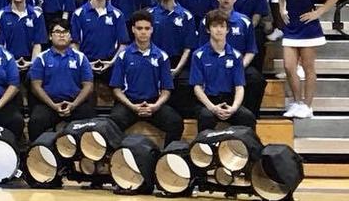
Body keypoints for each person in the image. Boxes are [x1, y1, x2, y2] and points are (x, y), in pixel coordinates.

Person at [279, 0, 340, 119]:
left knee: (308, 67)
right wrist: (282, 9)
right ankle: (297, 102)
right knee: (289, 67)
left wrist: (318, 12)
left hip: (308, 27)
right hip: (291, 27)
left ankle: (308, 105)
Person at [108, 11, 184, 146]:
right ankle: (118, 158)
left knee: (176, 122)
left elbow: (166, 90)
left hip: (154, 103)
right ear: (133, 30)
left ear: (152, 30)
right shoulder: (123, 56)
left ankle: (166, 158)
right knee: (113, 122)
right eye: (139, 28)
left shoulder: (162, 56)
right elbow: (116, 89)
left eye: (147, 28)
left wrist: (155, 106)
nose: (143, 32)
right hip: (129, 104)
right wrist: (132, 106)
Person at [28, 18, 96, 139]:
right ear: (50, 36)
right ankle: (35, 152)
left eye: (65, 32)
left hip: (75, 104)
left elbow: (88, 86)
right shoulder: (42, 58)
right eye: (57, 32)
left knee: (89, 118)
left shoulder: (80, 57)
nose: (61, 35)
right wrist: (54, 105)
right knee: (36, 121)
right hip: (49, 104)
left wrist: (73, 105)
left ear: (70, 36)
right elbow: (35, 86)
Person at [190, 10, 258, 131]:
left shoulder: (236, 56)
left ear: (227, 30)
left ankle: (245, 149)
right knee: (206, 117)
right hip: (208, 101)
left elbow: (239, 87)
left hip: (229, 101)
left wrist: (234, 108)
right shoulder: (198, 55)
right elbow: (197, 87)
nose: (219, 30)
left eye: (222, 26)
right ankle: (204, 148)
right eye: (215, 26)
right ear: (208, 29)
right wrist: (212, 108)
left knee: (248, 117)